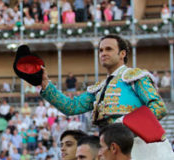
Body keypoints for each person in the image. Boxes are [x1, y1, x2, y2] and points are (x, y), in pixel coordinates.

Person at [40, 34, 168, 159]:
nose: (103, 53)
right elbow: (71, 107)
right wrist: (46, 84)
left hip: (139, 146)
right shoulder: (99, 88)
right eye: (101, 50)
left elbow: (158, 108)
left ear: (122, 54)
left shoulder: (135, 77)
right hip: (110, 148)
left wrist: (124, 126)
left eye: (109, 49)